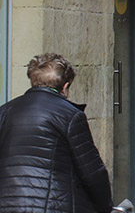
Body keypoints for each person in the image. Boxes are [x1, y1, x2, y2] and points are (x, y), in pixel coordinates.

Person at [0, 53, 113, 213]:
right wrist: (105, 206)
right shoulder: (70, 115)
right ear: (65, 87)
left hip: (8, 204)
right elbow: (92, 172)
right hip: (54, 204)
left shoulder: (4, 111)